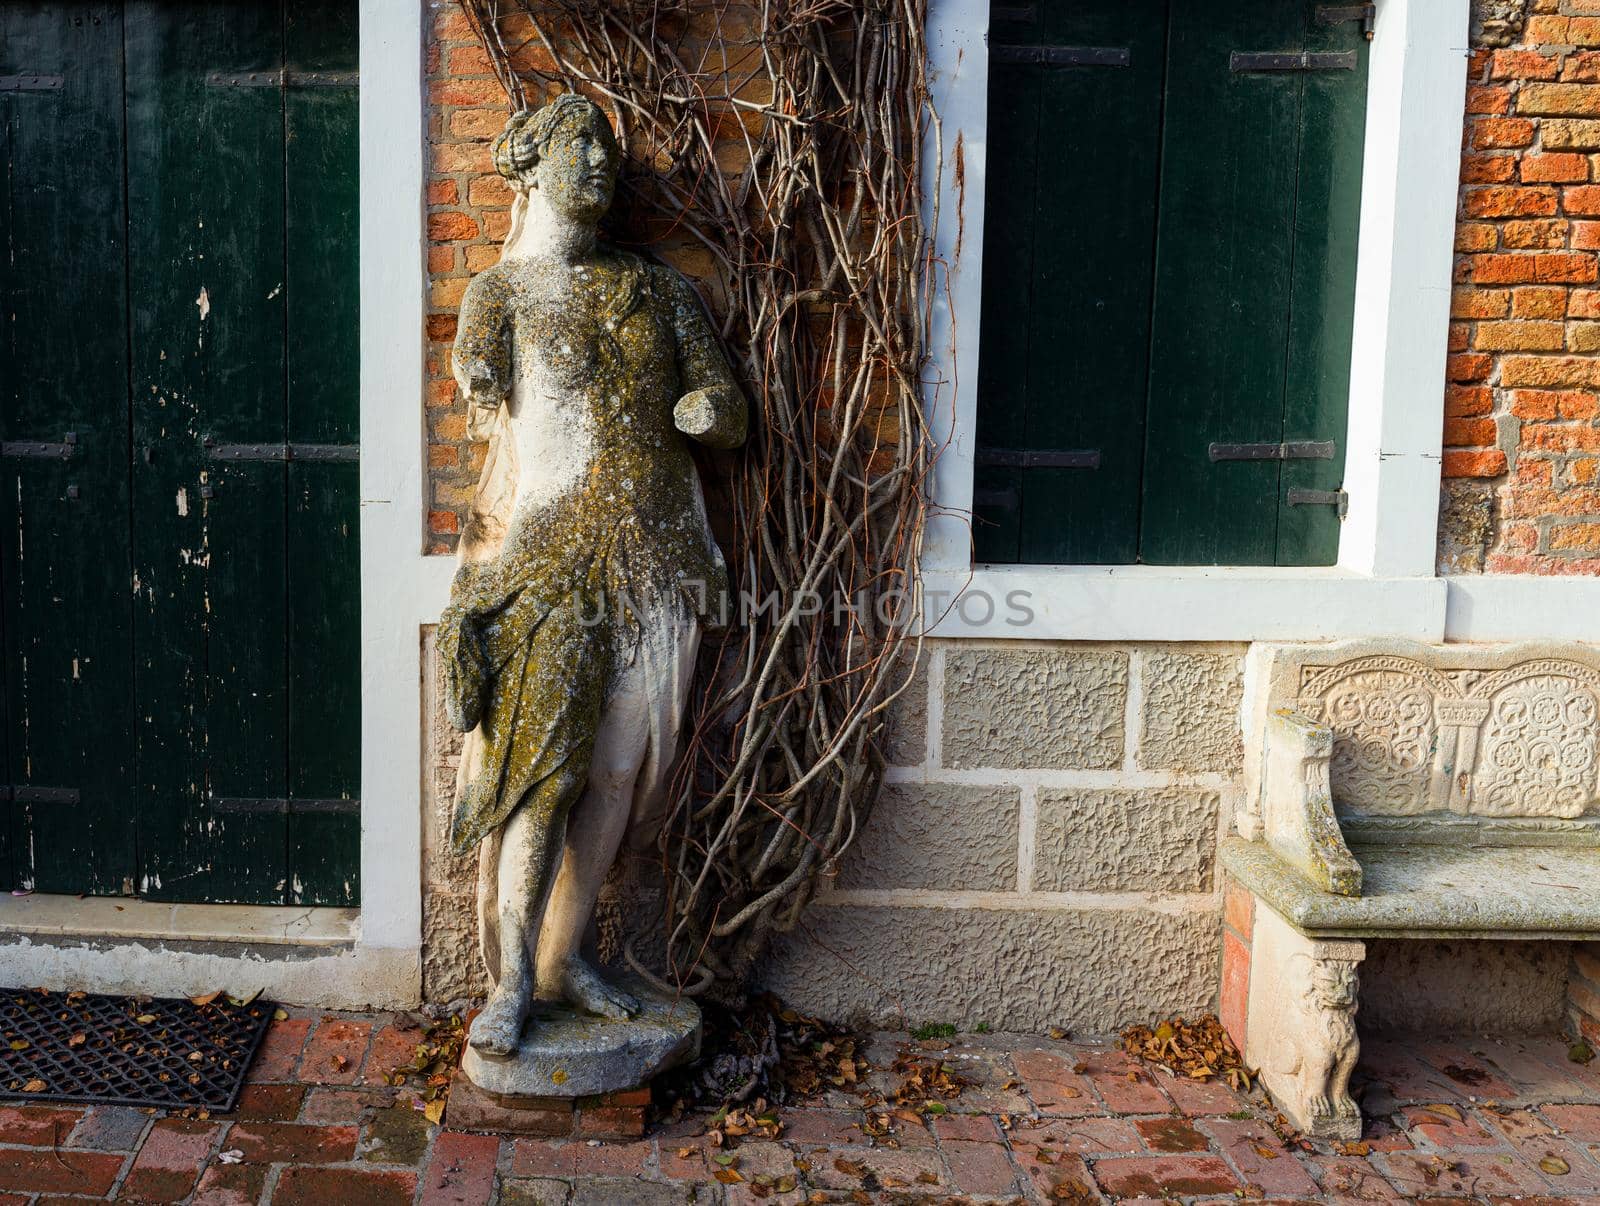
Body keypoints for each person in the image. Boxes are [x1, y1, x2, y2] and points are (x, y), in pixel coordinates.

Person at [438, 93, 746, 1057]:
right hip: (551, 560)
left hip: (656, 558)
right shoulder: (501, 297)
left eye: (606, 152)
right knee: (544, 775)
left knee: (617, 774)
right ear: (528, 170)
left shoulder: (661, 293)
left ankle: (565, 959)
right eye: (578, 149)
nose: (599, 166)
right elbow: (481, 393)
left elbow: (730, 409)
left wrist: (706, 410)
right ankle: (507, 983)